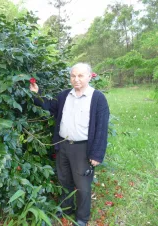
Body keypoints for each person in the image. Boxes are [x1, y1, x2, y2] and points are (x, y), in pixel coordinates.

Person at [30, 63, 109, 226]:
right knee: (64, 179)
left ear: (89, 76)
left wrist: (97, 154)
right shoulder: (64, 95)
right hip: (63, 145)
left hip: (83, 148)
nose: (76, 79)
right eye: (73, 76)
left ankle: (82, 218)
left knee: (82, 185)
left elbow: (102, 128)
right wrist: (37, 94)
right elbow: (49, 106)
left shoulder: (97, 98)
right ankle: (66, 209)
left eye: (80, 76)